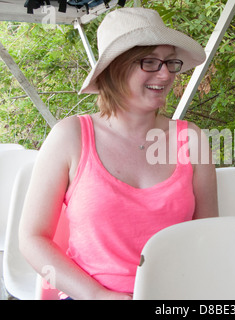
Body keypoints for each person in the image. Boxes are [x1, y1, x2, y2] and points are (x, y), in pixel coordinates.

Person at [19, 8, 218, 300]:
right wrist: (96, 294)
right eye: (150, 61)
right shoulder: (70, 137)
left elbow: (209, 234)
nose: (165, 74)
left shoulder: (191, 139)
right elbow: (32, 239)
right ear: (115, 68)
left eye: (169, 62)